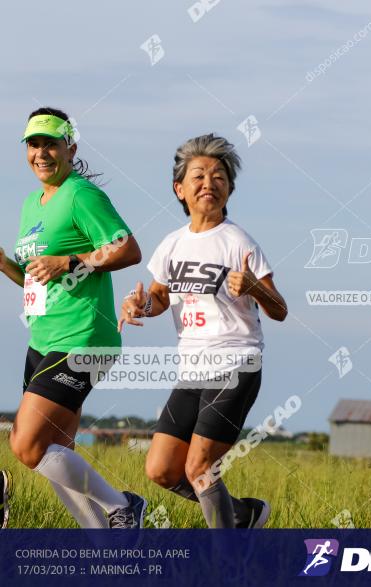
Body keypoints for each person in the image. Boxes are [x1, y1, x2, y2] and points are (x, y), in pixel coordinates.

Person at [119, 134, 287, 528]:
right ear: (180, 188)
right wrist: (138, 304)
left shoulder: (239, 242)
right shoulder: (172, 244)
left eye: (219, 176)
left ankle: (227, 564)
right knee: (161, 469)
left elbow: (279, 309)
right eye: (198, 176)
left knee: (199, 466)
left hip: (236, 364)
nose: (209, 183)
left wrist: (253, 287)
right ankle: (243, 515)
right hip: (191, 370)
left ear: (229, 189)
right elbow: (158, 297)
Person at [2, 107, 146, 528]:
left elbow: (127, 249)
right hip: (44, 339)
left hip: (82, 336)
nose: (41, 152)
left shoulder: (82, 194)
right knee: (53, 449)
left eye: (51, 143)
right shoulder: (33, 204)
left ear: (70, 148)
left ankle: (124, 506)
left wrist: (70, 261)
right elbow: (36, 278)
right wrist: (6, 265)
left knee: (26, 446)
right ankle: (105, 548)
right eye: (33, 144)